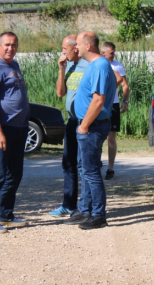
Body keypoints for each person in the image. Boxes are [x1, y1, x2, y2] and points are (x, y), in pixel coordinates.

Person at [64, 31, 117, 230]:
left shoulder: (100, 66)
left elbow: (98, 100)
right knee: (84, 168)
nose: (75, 47)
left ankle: (98, 214)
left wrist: (84, 125)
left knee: (91, 171)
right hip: (88, 125)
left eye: (77, 44)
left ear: (88, 46)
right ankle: (85, 209)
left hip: (92, 127)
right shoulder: (96, 65)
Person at [0, 32, 30, 234]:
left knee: (15, 174)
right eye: (7, 45)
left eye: (14, 45)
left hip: (18, 127)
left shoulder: (13, 64)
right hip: (2, 128)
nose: (11, 48)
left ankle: (5, 214)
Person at [49, 34, 89, 217]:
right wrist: (61, 69)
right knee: (68, 163)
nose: (62, 52)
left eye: (65, 49)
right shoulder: (70, 66)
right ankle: (68, 205)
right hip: (72, 121)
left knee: (84, 165)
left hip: (85, 122)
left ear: (75, 48)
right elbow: (60, 93)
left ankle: (85, 206)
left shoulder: (89, 65)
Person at [101, 41, 130, 180]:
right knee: (98, 136)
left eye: (114, 52)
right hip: (99, 104)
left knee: (111, 138)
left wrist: (125, 101)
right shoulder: (97, 64)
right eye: (111, 53)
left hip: (113, 104)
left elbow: (125, 85)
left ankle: (110, 168)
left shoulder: (117, 65)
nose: (113, 55)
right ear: (103, 52)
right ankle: (96, 162)